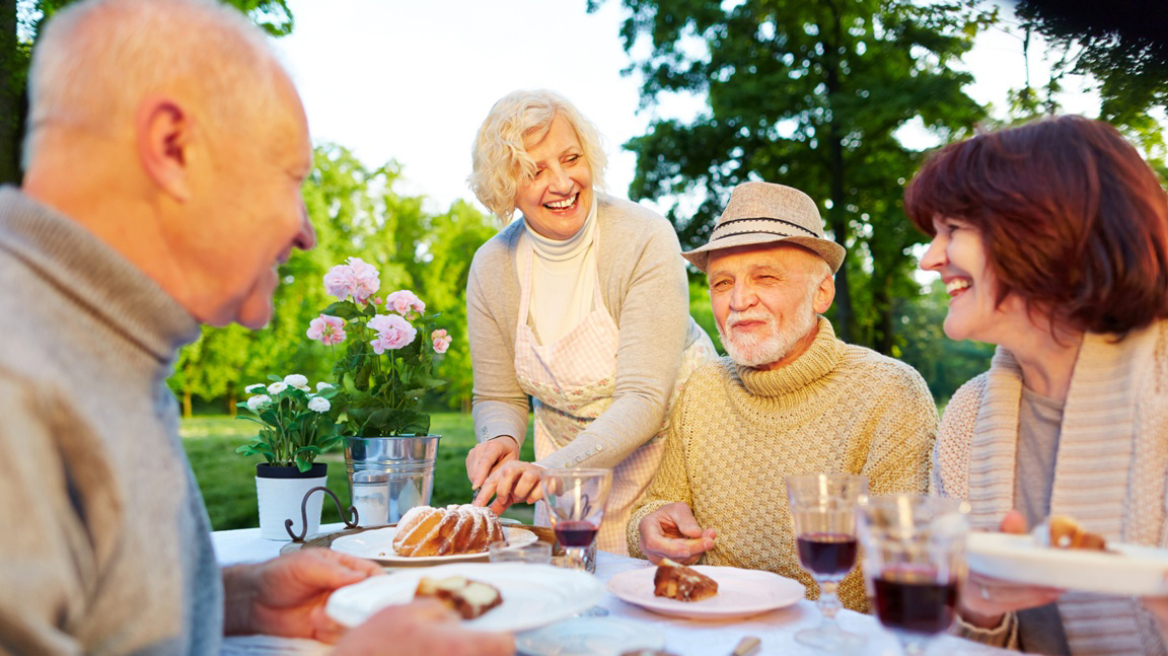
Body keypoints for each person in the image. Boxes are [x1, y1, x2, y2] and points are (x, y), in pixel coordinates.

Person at [0, 1, 512, 655]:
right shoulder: (16, 376)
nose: (306, 231)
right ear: (172, 147)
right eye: (291, 177)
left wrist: (240, 599)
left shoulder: (98, 341)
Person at [907, 115, 1168, 655]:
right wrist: (979, 605)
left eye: (952, 231)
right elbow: (948, 634)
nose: (929, 257)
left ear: (1044, 231)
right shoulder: (968, 416)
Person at [627, 181, 937, 612]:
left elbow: (900, 573)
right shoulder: (704, 385)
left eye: (765, 277)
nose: (738, 300)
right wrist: (647, 525)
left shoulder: (890, 394)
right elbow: (657, 503)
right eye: (721, 283)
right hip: (707, 629)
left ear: (822, 293)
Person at [464, 89, 716, 554]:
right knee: (573, 599)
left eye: (571, 158)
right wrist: (499, 438)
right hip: (564, 484)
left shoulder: (642, 238)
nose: (561, 183)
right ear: (505, 186)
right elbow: (497, 394)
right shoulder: (492, 267)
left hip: (672, 463)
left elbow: (642, 399)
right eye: (535, 171)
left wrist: (555, 470)